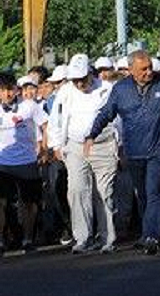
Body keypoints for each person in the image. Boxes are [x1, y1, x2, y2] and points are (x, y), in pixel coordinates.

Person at [85, 50, 160, 255]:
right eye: (143, 69)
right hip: (134, 151)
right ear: (131, 70)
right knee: (143, 194)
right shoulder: (120, 89)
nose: (149, 72)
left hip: (158, 148)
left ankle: (152, 236)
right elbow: (106, 113)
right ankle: (147, 231)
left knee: (154, 190)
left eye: (150, 67)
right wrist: (91, 134)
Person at [47, 56, 118, 253]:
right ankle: (82, 237)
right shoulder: (65, 92)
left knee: (104, 192)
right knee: (77, 190)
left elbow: (117, 117)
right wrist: (56, 145)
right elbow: (56, 120)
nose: (79, 83)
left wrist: (120, 145)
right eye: (75, 79)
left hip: (102, 144)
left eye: (83, 78)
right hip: (75, 145)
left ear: (90, 73)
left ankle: (107, 238)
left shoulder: (106, 88)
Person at [0, 72, 49, 254]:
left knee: (28, 203)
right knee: (1, 203)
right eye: (3, 90)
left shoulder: (29, 106)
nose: (7, 94)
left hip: (27, 160)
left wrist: (44, 148)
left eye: (10, 89)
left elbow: (45, 126)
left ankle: (28, 239)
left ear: (16, 89)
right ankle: (1, 241)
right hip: (3, 162)